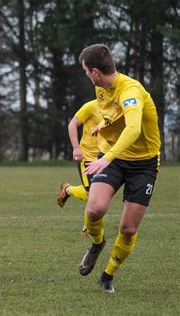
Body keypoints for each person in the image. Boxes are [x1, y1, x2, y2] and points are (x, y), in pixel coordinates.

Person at [77, 44, 160, 293]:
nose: (86, 75)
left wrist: (107, 157)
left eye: (85, 71)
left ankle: (107, 276)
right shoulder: (101, 87)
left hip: (142, 163)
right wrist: (104, 123)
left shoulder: (131, 90)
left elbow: (134, 128)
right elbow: (113, 112)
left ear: (94, 71)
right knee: (94, 210)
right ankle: (97, 243)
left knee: (128, 228)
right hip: (113, 155)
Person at [58, 100, 102, 236]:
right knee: (93, 195)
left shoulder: (117, 108)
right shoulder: (91, 106)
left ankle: (67, 190)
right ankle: (87, 228)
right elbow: (72, 124)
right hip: (87, 157)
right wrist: (76, 148)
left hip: (105, 158)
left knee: (102, 194)